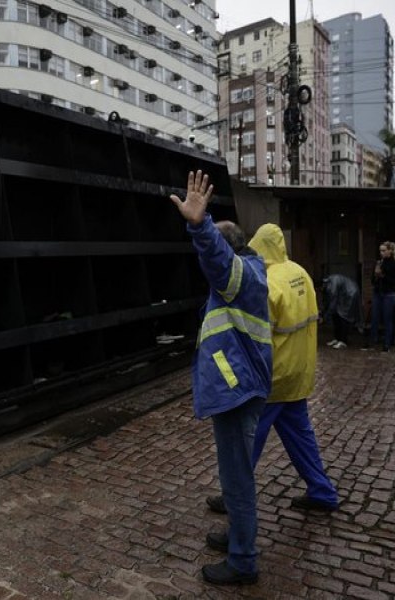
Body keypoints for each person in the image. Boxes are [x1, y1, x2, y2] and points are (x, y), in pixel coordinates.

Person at [168, 171, 272, 586]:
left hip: (236, 390)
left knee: (237, 478)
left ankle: (243, 560)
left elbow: (216, 259)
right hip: (240, 385)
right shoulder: (245, 278)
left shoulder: (240, 276)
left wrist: (200, 225)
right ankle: (236, 538)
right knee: (236, 470)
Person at [204, 224, 338, 523]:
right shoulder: (300, 273)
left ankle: (232, 499)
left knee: (244, 446)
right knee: (301, 437)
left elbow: (256, 336)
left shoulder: (265, 282)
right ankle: (322, 491)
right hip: (299, 374)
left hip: (273, 378)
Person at [368, 241, 395, 352]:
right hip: (378, 292)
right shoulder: (379, 263)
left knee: (388, 319)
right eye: (380, 251)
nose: (381, 253)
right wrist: (376, 275)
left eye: (384, 250)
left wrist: (382, 275)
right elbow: (372, 281)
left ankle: (387, 343)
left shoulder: (394, 264)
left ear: (390, 251)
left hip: (388, 294)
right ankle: (373, 340)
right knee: (375, 317)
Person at [321, 274, 364, 349]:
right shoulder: (329, 282)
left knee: (343, 317)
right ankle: (337, 338)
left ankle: (343, 341)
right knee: (336, 315)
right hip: (344, 294)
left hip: (350, 294)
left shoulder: (332, 284)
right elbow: (329, 301)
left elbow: (333, 301)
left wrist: (325, 316)